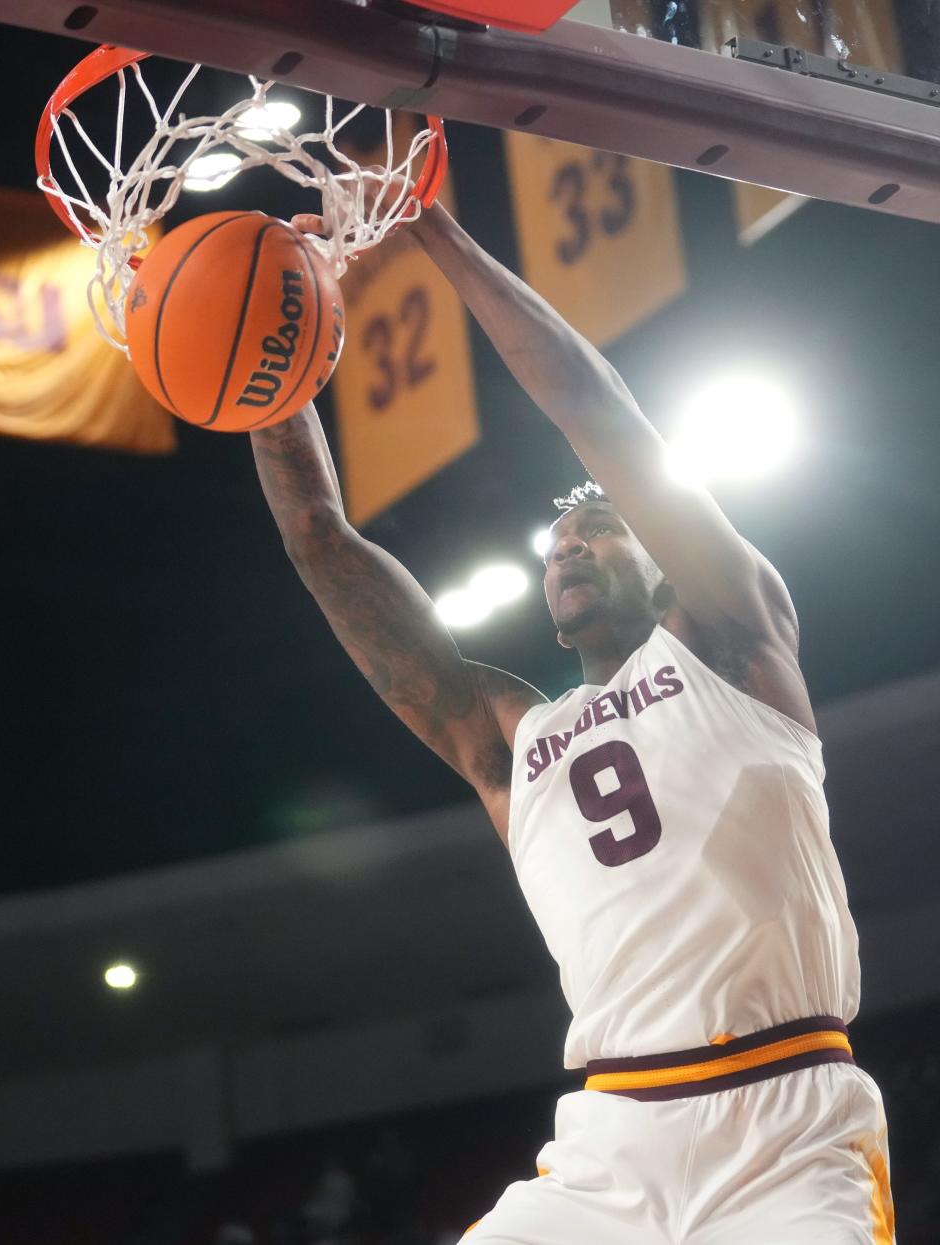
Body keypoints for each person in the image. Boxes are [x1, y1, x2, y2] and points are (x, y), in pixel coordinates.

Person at [250, 195, 895, 1244]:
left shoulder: (735, 640)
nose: (568, 550)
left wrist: (435, 231)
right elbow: (325, 547)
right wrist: (265, 384)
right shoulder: (512, 738)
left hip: (787, 1122)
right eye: (554, 547)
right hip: (610, 1142)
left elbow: (601, 417)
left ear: (659, 550)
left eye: (598, 530)